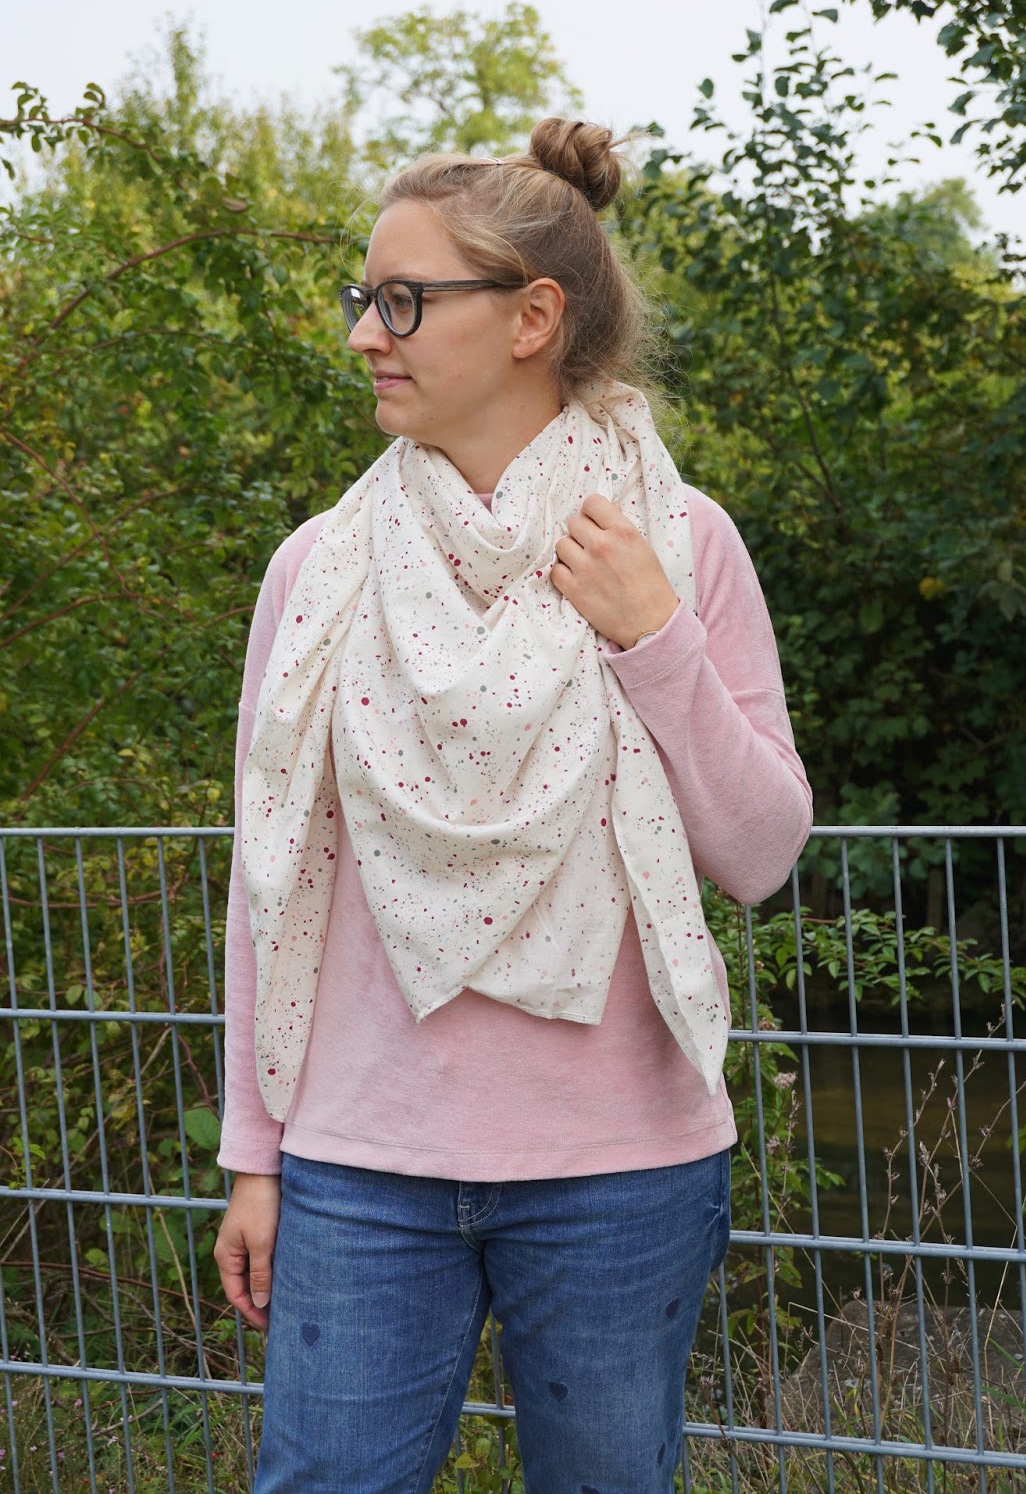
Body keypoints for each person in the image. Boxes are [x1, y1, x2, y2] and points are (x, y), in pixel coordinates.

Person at [214, 116, 812, 1494]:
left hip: (622, 1172)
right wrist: (256, 1159)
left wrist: (653, 636)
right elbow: (272, 882)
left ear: (533, 318)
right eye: (365, 297)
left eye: (403, 301)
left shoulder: (677, 546)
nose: (365, 334)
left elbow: (760, 852)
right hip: (358, 1170)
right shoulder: (318, 570)